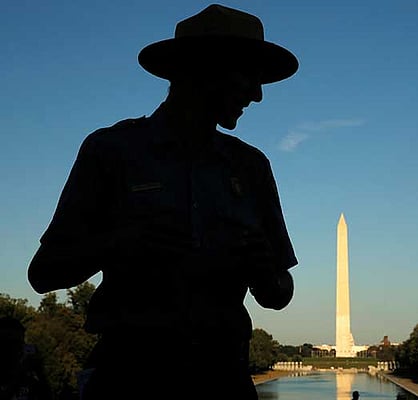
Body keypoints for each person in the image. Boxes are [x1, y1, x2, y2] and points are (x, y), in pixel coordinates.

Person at [27, 4, 299, 400]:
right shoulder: (112, 151)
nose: (256, 95)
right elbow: (44, 274)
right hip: (130, 379)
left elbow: (280, 293)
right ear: (204, 70)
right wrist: (120, 244)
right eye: (248, 77)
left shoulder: (251, 166)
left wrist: (265, 272)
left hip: (224, 380)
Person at [0, 317, 52, 400]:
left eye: (22, 343)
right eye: (13, 343)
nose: (19, 348)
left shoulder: (27, 379)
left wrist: (40, 372)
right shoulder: (21, 375)